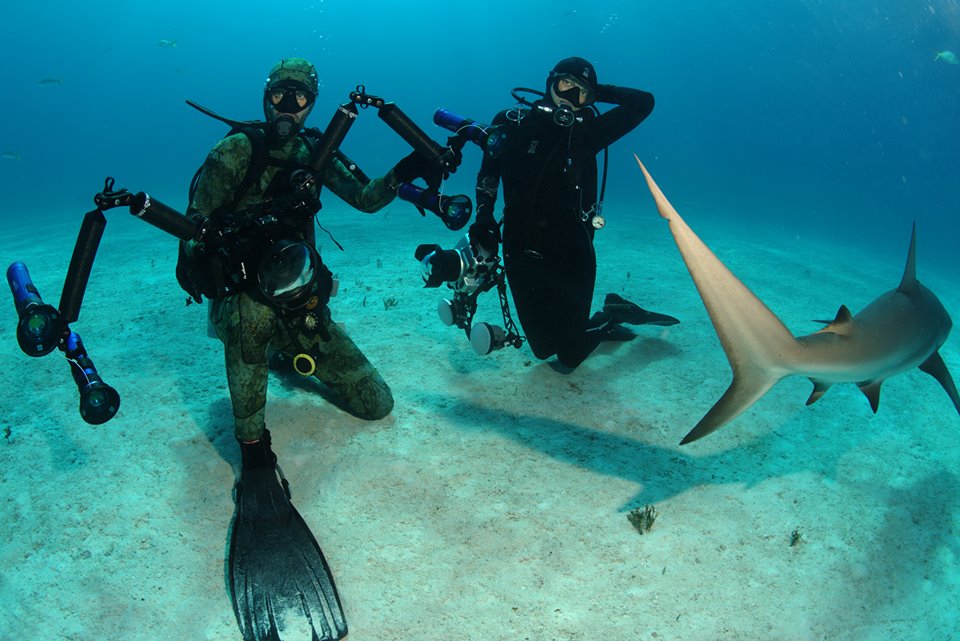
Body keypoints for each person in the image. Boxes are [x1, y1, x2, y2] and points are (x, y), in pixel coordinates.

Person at [183, 57, 439, 640]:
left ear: (313, 104)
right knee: (249, 326)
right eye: (281, 95)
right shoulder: (234, 154)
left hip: (299, 297)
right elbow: (193, 228)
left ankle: (282, 351)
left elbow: (370, 198)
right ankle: (252, 445)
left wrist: (408, 165)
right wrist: (235, 243)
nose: (288, 108)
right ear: (266, 96)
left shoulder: (317, 153)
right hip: (245, 295)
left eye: (301, 98)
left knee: (377, 403)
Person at [469, 56, 679, 370]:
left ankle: (613, 313)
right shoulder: (511, 121)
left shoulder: (589, 132)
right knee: (542, 350)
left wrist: (597, 91)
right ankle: (602, 318)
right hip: (519, 242)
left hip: (572, 248)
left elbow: (643, 103)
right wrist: (484, 216)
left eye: (581, 92)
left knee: (569, 355)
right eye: (566, 83)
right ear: (550, 80)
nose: (571, 96)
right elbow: (489, 172)